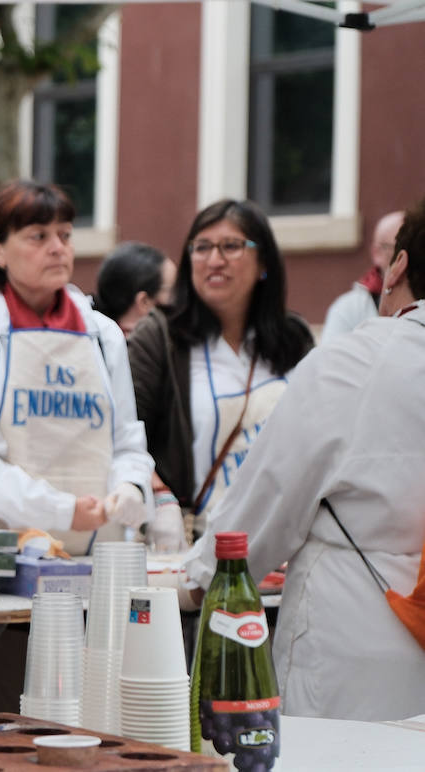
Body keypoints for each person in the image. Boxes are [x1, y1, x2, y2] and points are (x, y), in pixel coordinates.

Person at [183, 195, 425, 720]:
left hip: (359, 646)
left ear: (398, 265)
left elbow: (269, 498)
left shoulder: (360, 356)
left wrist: (200, 577)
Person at [0, 180, 155, 556]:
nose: (57, 248)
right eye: (38, 236)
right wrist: (63, 511)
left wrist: (131, 486)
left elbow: (128, 442)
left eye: (65, 235)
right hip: (0, 562)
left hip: (99, 557)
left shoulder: (103, 333)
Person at [128, 199, 314, 552]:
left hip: (284, 547)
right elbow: (125, 436)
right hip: (195, 546)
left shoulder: (294, 338)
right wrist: (160, 498)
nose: (214, 260)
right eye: (202, 247)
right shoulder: (161, 337)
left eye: (231, 246)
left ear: (264, 264)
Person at [321, 209, 404, 339]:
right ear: (377, 252)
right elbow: (330, 358)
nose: (405, 261)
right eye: (399, 249)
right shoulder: (350, 308)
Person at [92, 241, 177, 337]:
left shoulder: (96, 339)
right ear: (144, 302)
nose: (181, 297)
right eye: (173, 290)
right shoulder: (145, 348)